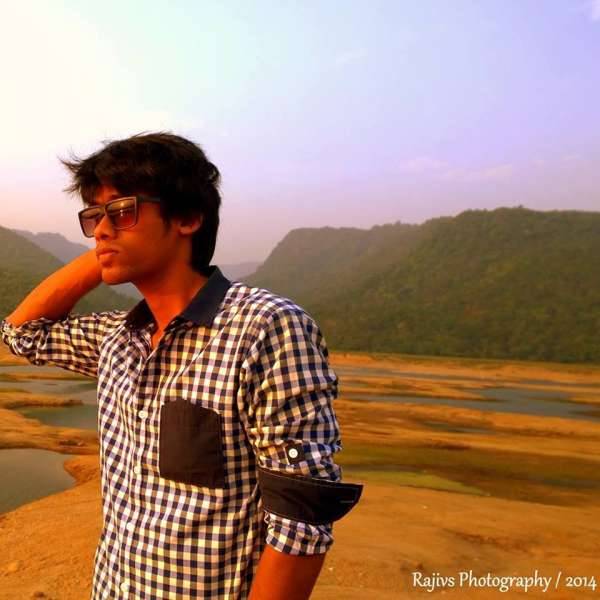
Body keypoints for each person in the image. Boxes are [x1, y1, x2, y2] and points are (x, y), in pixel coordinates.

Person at [0, 132, 362, 600]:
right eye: (94, 217)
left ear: (188, 217)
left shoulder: (264, 327)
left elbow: (301, 516)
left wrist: (116, 245)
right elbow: (22, 333)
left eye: (122, 211)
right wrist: (110, 249)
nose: (101, 230)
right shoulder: (118, 338)